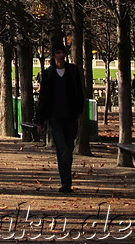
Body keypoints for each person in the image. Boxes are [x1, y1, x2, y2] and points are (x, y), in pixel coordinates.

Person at [34, 40, 85, 194]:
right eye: (58, 53)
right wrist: (40, 121)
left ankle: (66, 181)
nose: (61, 55)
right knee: (62, 148)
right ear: (54, 55)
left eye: (63, 52)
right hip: (55, 117)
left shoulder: (73, 71)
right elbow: (43, 98)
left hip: (70, 116)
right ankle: (66, 183)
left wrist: (78, 111)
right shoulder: (48, 73)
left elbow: (79, 92)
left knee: (68, 149)